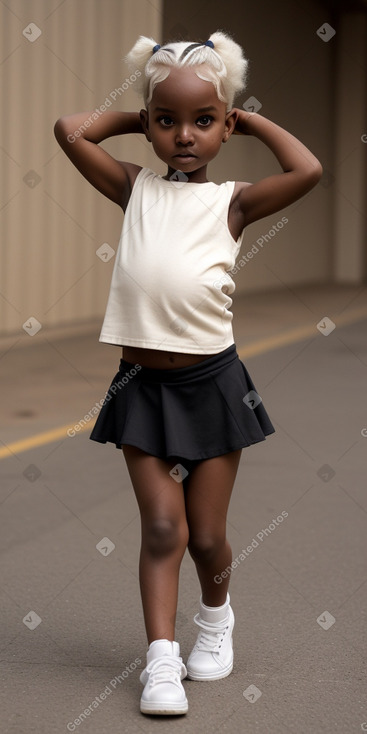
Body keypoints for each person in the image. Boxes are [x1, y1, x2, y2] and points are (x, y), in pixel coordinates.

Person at [54, 30, 322, 717]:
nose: (182, 136)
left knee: (205, 536)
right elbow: (70, 130)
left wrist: (246, 116)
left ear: (225, 127)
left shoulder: (231, 203)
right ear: (147, 126)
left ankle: (216, 617)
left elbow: (307, 169)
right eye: (165, 121)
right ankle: (161, 661)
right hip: (140, 387)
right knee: (162, 531)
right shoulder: (131, 186)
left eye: (203, 121)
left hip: (212, 386)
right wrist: (140, 107)